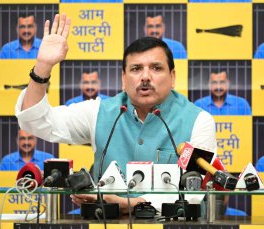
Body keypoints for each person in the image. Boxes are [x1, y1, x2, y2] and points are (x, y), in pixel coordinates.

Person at [15, 13, 216, 213]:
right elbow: (34, 121)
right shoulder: (99, 112)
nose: (145, 77)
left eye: (156, 68)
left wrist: (130, 205)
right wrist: (43, 66)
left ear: (172, 77)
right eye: (136, 69)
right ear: (123, 78)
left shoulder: (199, 120)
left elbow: (194, 192)